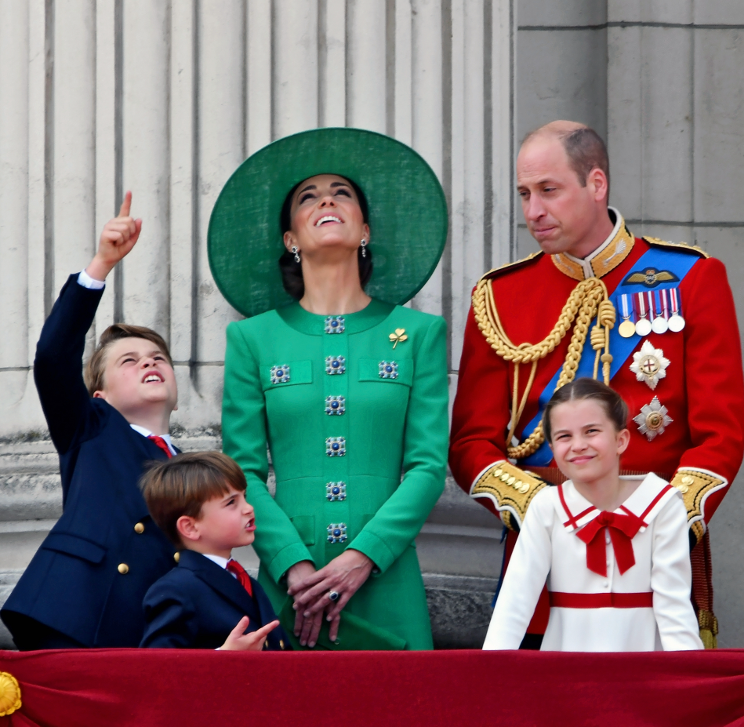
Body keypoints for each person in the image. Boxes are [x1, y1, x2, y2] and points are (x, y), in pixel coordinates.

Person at [450, 121, 744, 647]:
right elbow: (472, 444)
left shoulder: (689, 278)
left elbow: (719, 437)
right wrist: (552, 516)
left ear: (597, 184)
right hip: (542, 562)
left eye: (548, 190)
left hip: (659, 553)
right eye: (524, 194)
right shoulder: (499, 297)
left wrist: (658, 521)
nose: (532, 211)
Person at [210, 128, 449, 650]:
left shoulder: (418, 334)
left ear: (365, 228)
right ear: (290, 240)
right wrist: (291, 565)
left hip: (385, 574)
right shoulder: (252, 338)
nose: (326, 200)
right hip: (292, 587)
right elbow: (242, 471)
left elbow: (428, 467)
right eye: (308, 197)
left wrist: (364, 555)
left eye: (342, 192)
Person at [0, 193, 180, 649]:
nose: (149, 363)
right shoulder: (93, 427)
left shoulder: (195, 467)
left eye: (158, 357)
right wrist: (100, 265)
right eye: (130, 360)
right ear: (98, 395)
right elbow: (54, 357)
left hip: (151, 632)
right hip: (75, 613)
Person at [483, 378, 702, 651]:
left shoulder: (663, 503)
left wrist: (687, 681)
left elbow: (674, 607)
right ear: (552, 448)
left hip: (645, 669)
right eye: (564, 436)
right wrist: (489, 674)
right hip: (566, 669)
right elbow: (515, 601)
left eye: (591, 431)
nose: (578, 445)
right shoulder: (546, 506)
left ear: (620, 440)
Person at [139, 451, 287, 650]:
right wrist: (223, 656)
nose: (249, 508)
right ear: (190, 527)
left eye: (244, 497)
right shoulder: (176, 590)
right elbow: (156, 669)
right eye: (231, 503)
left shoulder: (245, 582)